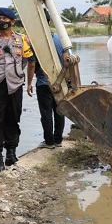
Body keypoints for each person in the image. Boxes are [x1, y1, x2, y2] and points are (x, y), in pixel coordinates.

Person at [0, 7, 33, 172]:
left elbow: (25, 61)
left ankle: (11, 152)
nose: (0, 21)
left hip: (15, 85)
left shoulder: (21, 40)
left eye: (4, 18)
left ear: (12, 22)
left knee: (13, 118)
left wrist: (16, 74)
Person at [26, 9, 68, 149]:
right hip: (60, 83)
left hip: (44, 84)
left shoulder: (34, 43)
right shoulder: (59, 39)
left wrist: (29, 83)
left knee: (46, 113)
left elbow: (32, 64)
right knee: (59, 111)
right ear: (49, 22)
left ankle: (49, 142)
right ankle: (58, 140)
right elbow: (66, 60)